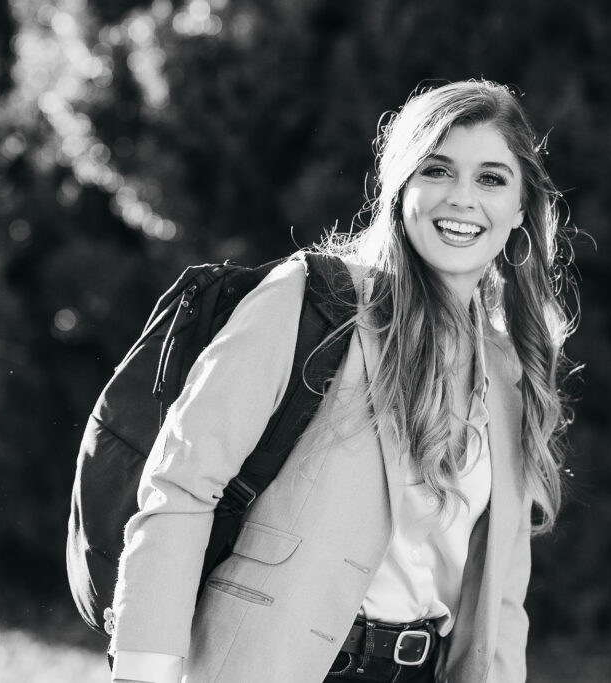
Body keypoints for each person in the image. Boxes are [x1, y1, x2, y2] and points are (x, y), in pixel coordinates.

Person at [106, 80, 577, 683]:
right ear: (401, 186)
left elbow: (502, 596)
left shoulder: (511, 372)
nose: (462, 198)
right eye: (438, 169)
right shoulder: (312, 304)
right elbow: (181, 488)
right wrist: (144, 675)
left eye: (491, 178)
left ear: (520, 212)